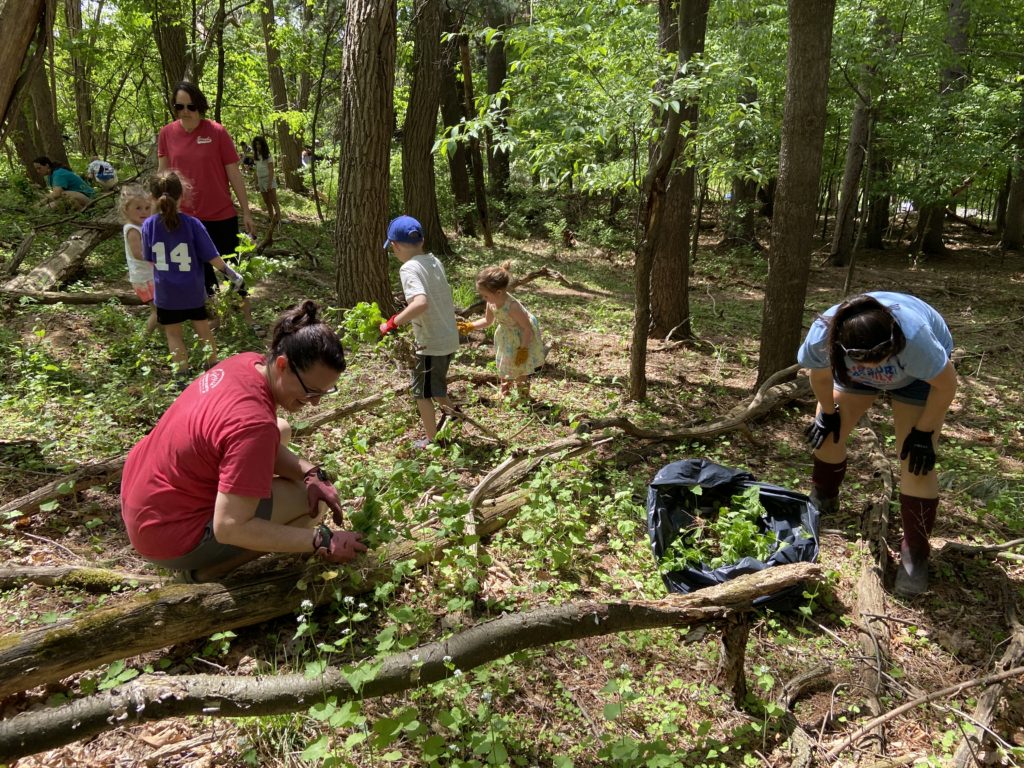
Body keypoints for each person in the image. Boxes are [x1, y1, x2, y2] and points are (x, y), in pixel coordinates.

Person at [120, 301, 368, 583]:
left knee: (281, 430)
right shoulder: (254, 427)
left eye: (325, 392)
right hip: (167, 535)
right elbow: (229, 528)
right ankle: (207, 572)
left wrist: (311, 473)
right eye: (311, 391)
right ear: (284, 365)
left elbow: (248, 441)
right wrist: (322, 539)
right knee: (309, 504)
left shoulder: (249, 363)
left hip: (144, 498)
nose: (315, 402)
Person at [798, 292, 957, 597]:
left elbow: (946, 384)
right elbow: (819, 377)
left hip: (918, 379)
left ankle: (915, 553)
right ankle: (824, 496)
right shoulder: (823, 335)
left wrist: (923, 434)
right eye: (868, 360)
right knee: (828, 435)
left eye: (883, 355)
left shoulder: (917, 339)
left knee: (915, 462)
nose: (877, 365)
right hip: (852, 376)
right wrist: (827, 414)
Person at [157, 81, 254, 316]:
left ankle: (247, 317)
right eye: (180, 107)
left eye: (191, 106)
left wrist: (246, 210)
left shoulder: (217, 132)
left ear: (200, 106)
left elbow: (234, 173)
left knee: (231, 267)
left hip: (221, 214)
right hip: (187, 218)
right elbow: (162, 176)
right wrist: (160, 208)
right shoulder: (166, 133)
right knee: (200, 269)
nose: (186, 112)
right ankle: (215, 316)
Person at [143, 171, 246, 377]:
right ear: (182, 196)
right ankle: (212, 366)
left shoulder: (148, 225)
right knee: (203, 330)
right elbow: (212, 257)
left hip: (166, 294)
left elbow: (149, 257)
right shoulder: (193, 224)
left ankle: (181, 375)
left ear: (153, 198)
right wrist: (232, 274)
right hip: (193, 291)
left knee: (173, 334)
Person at [380, 215, 460, 447]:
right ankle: (452, 415)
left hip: (430, 343)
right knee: (434, 386)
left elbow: (420, 303)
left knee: (421, 393)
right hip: (448, 335)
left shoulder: (408, 269)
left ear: (394, 245)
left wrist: (392, 322)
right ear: (422, 240)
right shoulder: (434, 261)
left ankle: (432, 439)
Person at [459, 261, 545, 398]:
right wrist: (470, 326)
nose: (483, 298)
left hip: (522, 336)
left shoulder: (512, 307)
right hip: (505, 335)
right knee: (504, 362)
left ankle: (523, 397)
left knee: (520, 367)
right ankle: (504, 392)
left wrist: (523, 350)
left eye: (485, 295)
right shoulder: (491, 302)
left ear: (498, 292)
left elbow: (527, 328)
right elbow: (488, 321)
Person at [119, 185, 158, 335]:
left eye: (147, 208)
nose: (144, 212)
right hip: (145, 278)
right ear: (126, 209)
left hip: (149, 275)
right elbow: (137, 253)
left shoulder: (143, 226)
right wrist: (157, 258)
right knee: (159, 310)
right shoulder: (132, 229)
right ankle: (143, 338)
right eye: (138, 208)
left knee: (158, 309)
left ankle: (162, 335)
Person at [251, 135, 281, 224]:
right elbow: (256, 170)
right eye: (256, 145)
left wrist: (269, 183)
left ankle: (278, 219)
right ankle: (271, 219)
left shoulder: (268, 155)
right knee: (266, 201)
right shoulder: (256, 156)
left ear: (263, 145)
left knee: (273, 200)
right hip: (260, 181)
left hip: (268, 180)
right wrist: (256, 183)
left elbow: (271, 170)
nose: (257, 146)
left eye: (259, 144)